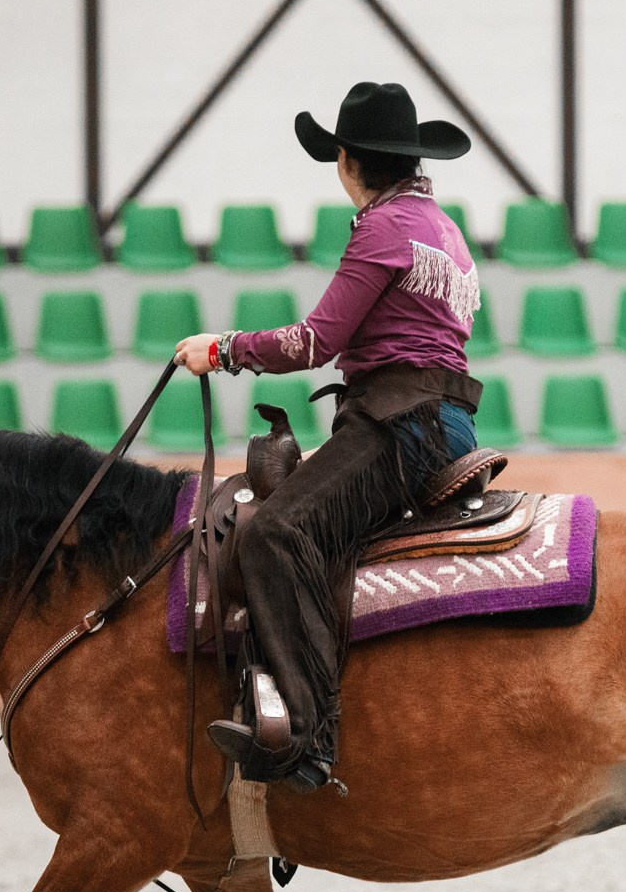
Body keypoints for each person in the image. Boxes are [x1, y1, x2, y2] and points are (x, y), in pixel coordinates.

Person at [175, 81, 483, 793]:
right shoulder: (443, 227)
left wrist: (223, 349)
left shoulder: (381, 227)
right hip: (445, 419)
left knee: (274, 534)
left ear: (348, 161)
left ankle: (306, 737)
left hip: (399, 424)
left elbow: (314, 340)